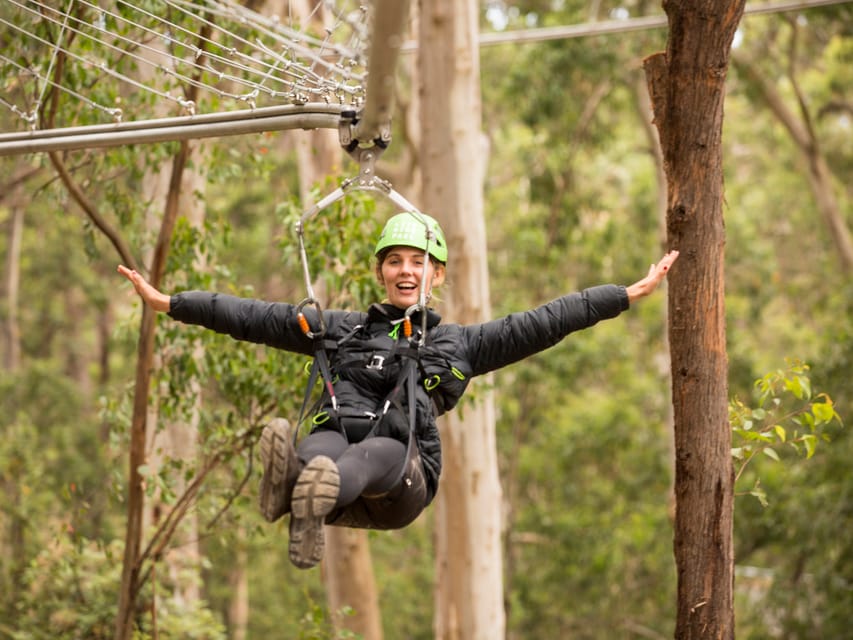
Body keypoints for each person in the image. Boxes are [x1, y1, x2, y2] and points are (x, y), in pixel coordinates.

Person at [118, 211, 678, 570]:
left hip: (402, 475)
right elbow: (252, 317)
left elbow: (547, 320)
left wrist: (625, 294)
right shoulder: (341, 329)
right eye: (394, 262)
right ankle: (299, 488)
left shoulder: (461, 344)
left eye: (417, 262)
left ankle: (305, 489)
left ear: (436, 275)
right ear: (381, 272)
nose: (405, 270)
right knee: (324, 445)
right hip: (338, 444)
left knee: (371, 451)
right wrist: (173, 304)